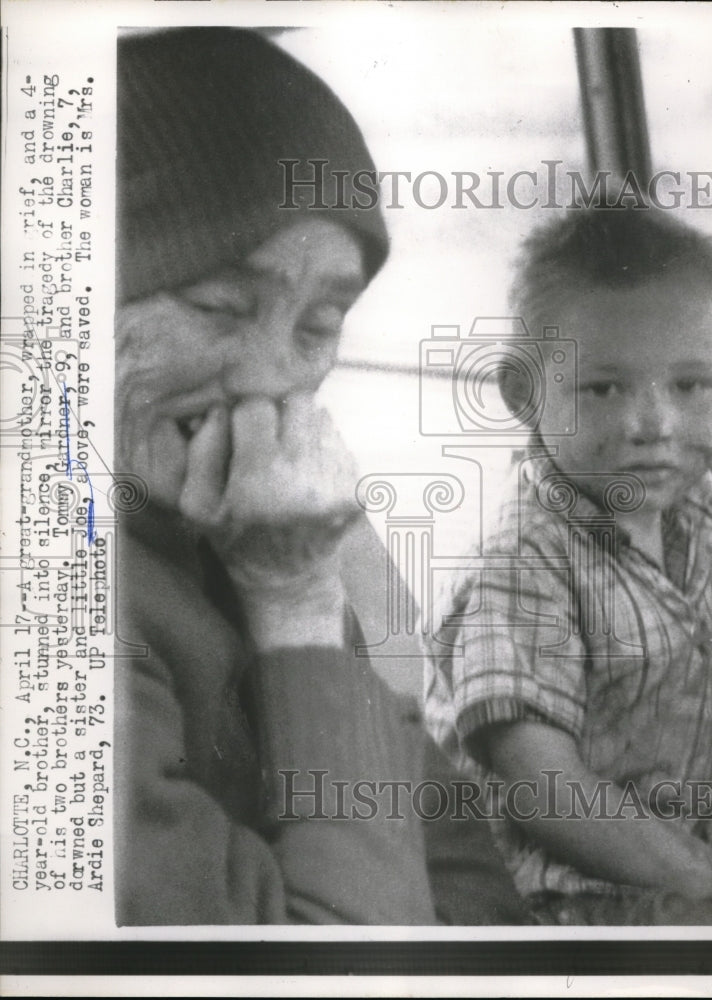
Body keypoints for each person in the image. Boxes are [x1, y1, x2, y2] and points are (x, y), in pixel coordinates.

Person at [114, 26, 527, 926]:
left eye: (317, 326)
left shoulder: (269, 525)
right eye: (220, 305)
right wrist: (293, 601)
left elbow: (469, 890)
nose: (272, 377)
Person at [424, 208, 712, 925]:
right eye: (603, 389)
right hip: (558, 901)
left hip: (704, 853)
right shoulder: (521, 563)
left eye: (690, 385)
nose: (654, 424)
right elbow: (537, 780)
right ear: (523, 395)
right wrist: (700, 876)